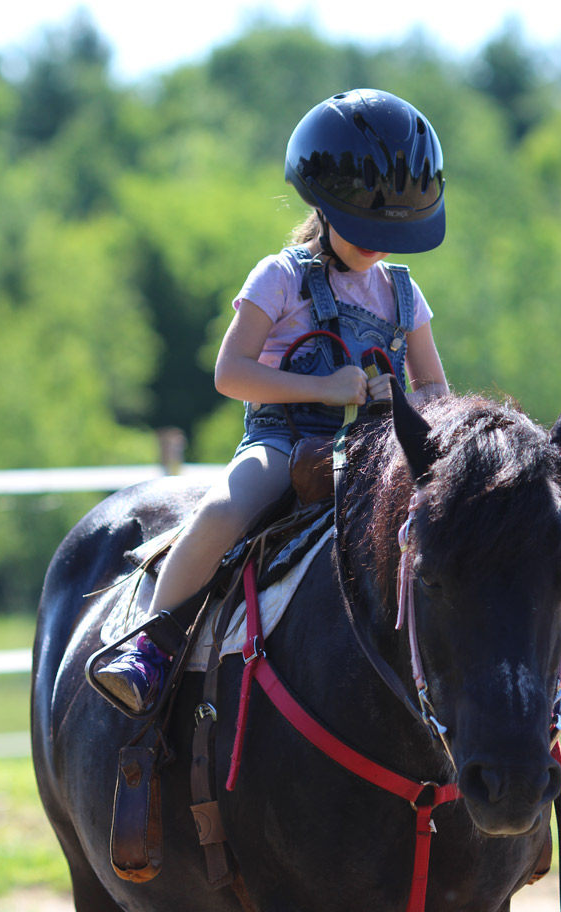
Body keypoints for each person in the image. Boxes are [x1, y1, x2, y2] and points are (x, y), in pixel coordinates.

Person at [95, 88, 449, 713]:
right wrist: (323, 388)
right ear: (324, 202)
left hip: (374, 453)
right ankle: (149, 644)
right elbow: (230, 373)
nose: (378, 245)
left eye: (391, 232)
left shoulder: (403, 293)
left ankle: (501, 680)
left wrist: (399, 400)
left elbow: (435, 391)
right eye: (366, 227)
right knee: (228, 510)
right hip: (281, 441)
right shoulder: (279, 277)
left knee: (465, 530)